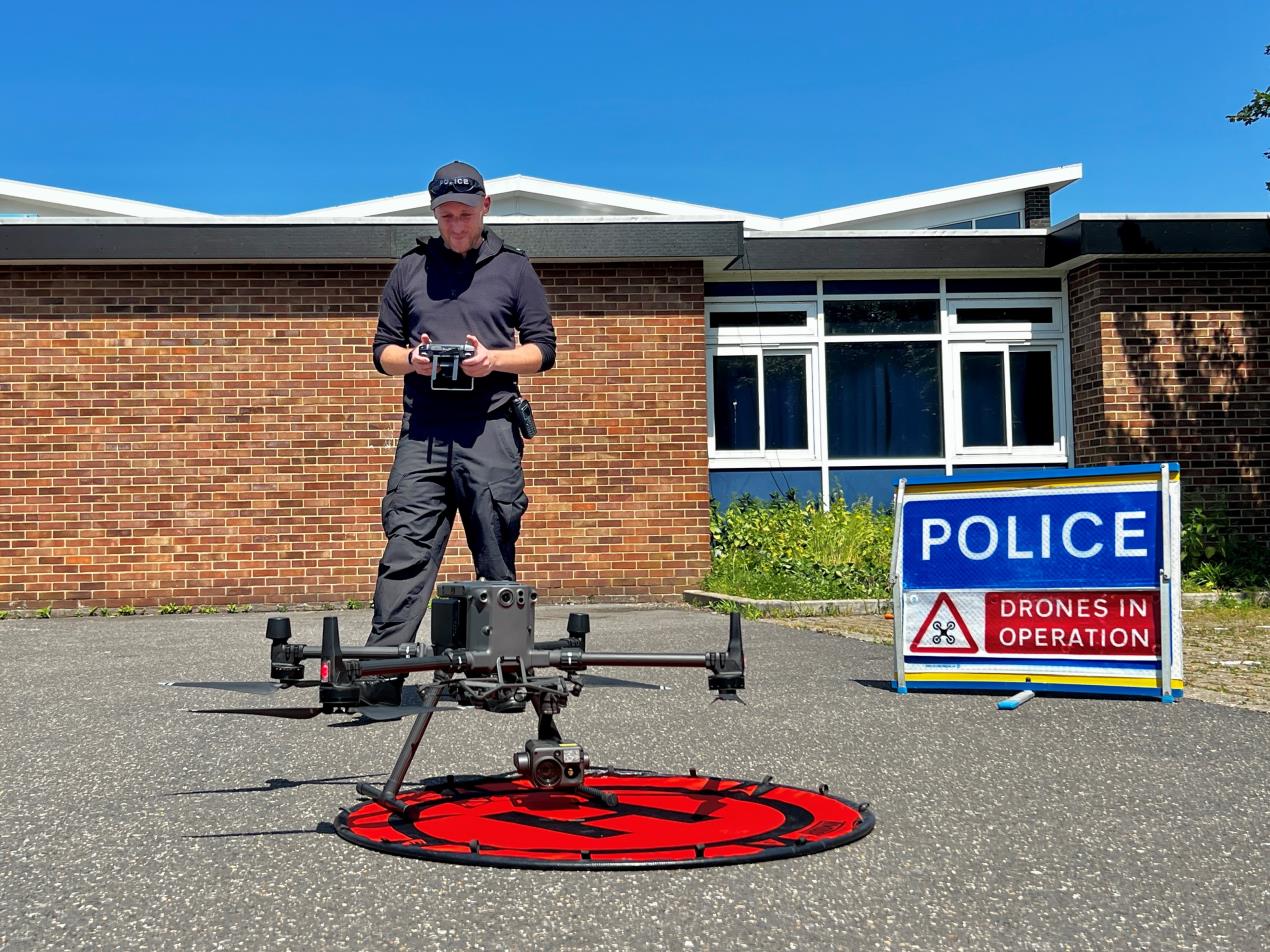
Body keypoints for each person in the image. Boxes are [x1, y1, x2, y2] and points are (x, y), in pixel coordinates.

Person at [364, 161, 556, 686]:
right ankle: (382, 680)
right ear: (434, 214)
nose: (456, 225)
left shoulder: (514, 269)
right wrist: (415, 361)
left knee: (495, 547)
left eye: (465, 214)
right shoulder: (409, 269)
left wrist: (492, 360)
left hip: (490, 430)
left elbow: (543, 351)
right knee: (406, 550)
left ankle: (504, 677)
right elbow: (382, 352)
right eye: (445, 215)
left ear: (486, 209)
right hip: (423, 432)